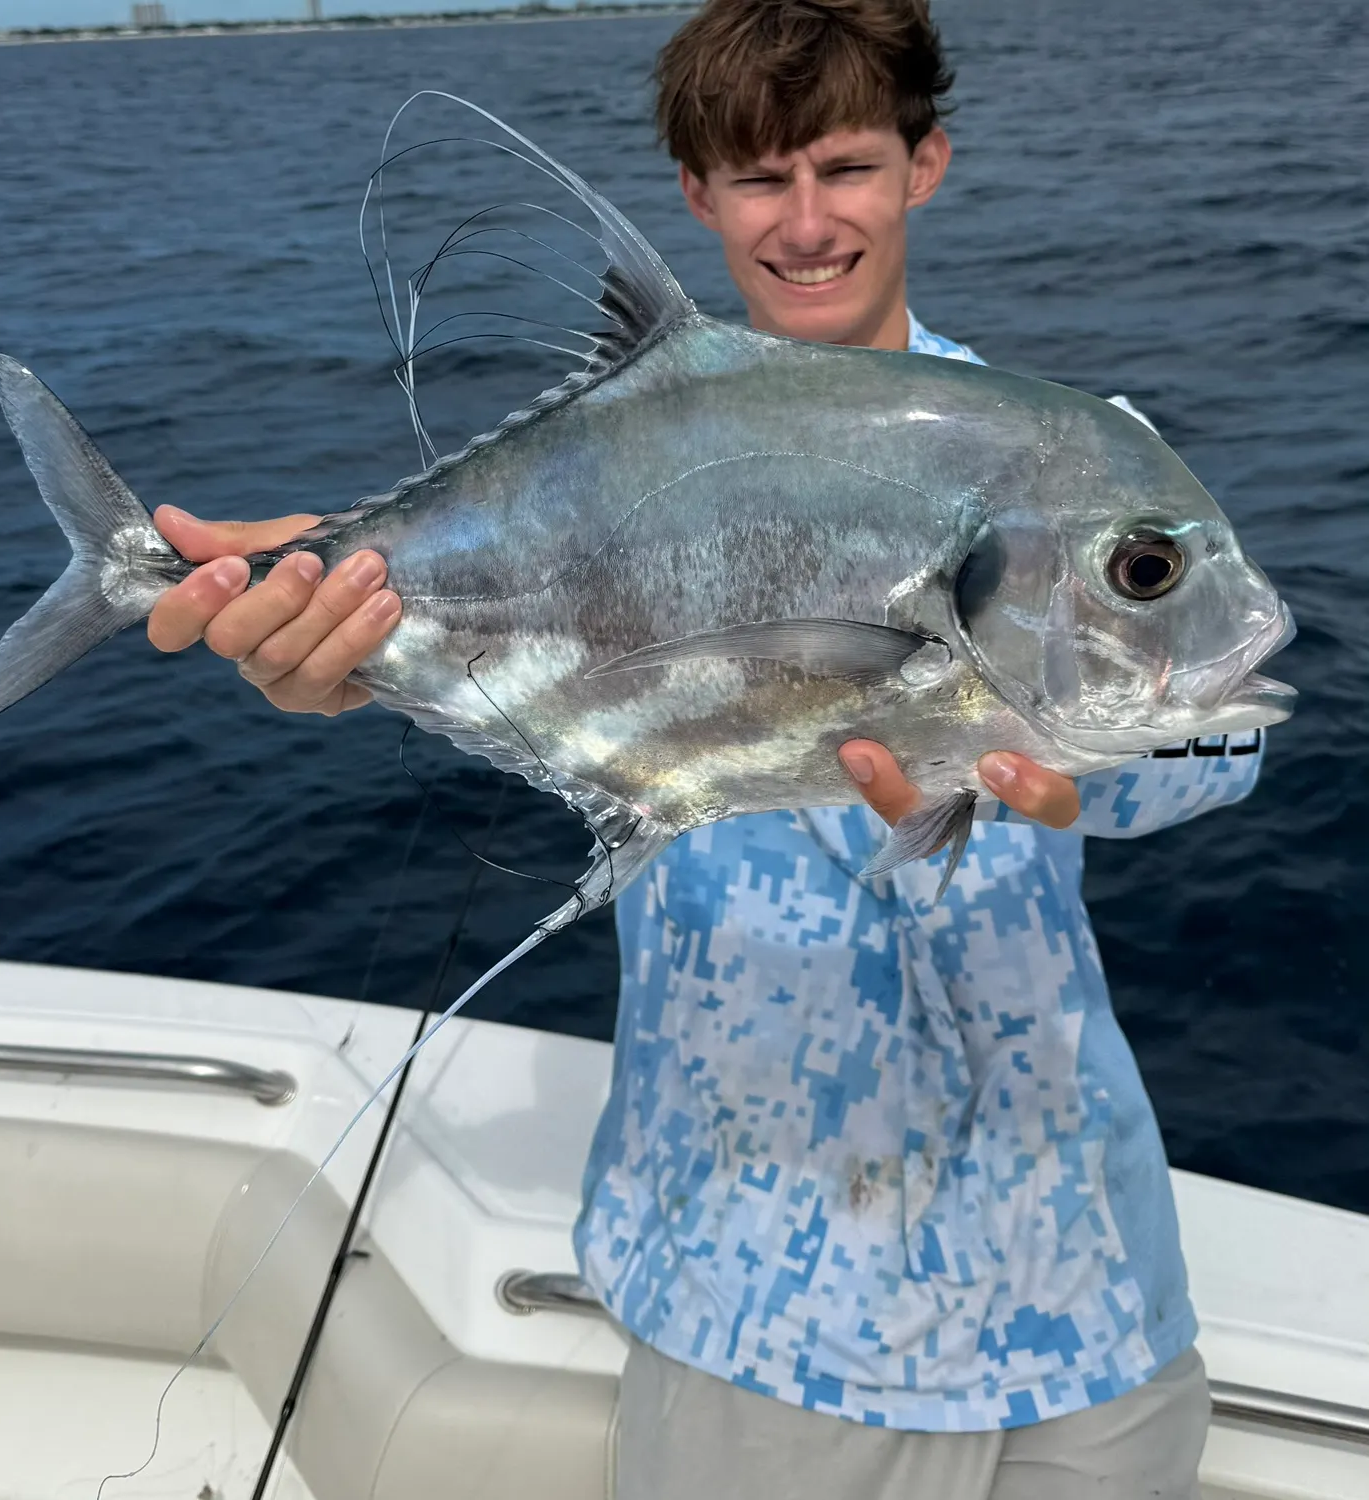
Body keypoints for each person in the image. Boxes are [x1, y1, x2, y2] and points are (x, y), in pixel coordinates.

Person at [146, 2, 1264, 1493]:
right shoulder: (625, 456)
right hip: (761, 1296)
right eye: (760, 179)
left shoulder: (1063, 453)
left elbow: (1220, 735)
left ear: (923, 165)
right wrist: (344, 664)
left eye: (846, 167)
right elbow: (520, 639)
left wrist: (1084, 777)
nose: (807, 222)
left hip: (1084, 1279)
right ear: (697, 194)